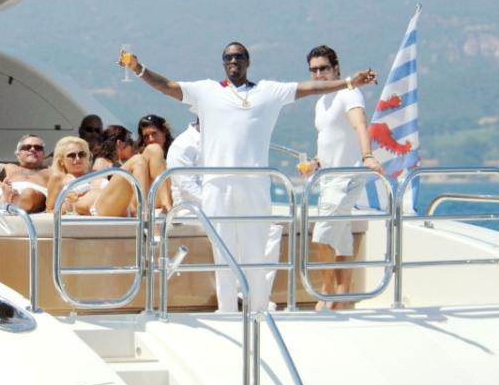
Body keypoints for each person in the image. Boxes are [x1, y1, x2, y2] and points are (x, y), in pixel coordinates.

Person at [122, 42, 378, 312]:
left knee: (256, 252)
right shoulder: (206, 91)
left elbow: (309, 88)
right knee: (223, 253)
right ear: (223, 63)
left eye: (239, 56)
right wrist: (138, 68)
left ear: (247, 61)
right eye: (229, 57)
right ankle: (228, 311)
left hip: (255, 185)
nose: (234, 60)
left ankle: (256, 310)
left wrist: (349, 82)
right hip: (217, 186)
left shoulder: (268, 91)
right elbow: (167, 85)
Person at [301, 45, 385, 310]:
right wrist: (315, 161)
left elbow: (360, 124)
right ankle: (342, 295)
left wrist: (367, 155)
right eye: (314, 70)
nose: (319, 74)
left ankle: (326, 294)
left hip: (346, 175)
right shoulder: (320, 101)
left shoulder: (348, 93)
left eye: (324, 68)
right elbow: (329, 137)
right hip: (328, 176)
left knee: (323, 234)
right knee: (341, 236)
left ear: (336, 68)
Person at [0, 134, 51, 212]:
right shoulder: (9, 167)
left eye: (38, 148)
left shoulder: (50, 171)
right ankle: (7, 200)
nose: (32, 149)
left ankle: (13, 202)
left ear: (44, 155)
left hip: (35, 195)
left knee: (29, 192)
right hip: (10, 190)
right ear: (18, 154)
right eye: (27, 147)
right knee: (1, 193)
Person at [46, 136, 93, 213]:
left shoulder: (96, 175)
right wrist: (69, 204)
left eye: (82, 154)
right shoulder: (58, 178)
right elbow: (51, 210)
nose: (78, 159)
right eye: (72, 155)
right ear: (61, 161)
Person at [166, 118, 202, 207]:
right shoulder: (182, 145)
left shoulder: (220, 141)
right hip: (192, 214)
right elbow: (187, 188)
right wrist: (216, 204)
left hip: (223, 214)